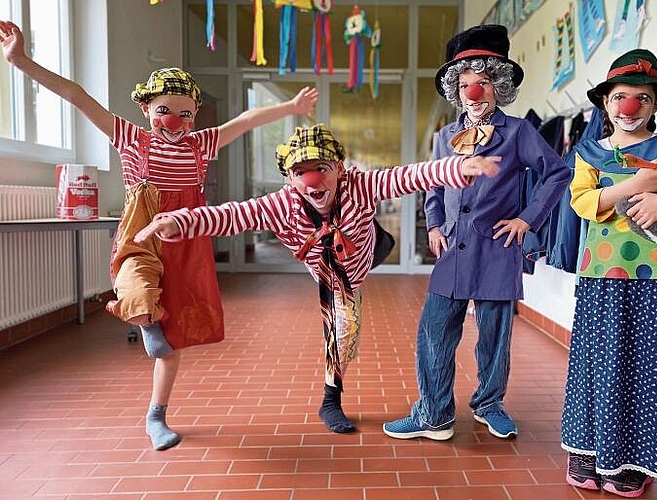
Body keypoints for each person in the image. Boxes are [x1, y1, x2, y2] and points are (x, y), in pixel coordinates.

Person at [0, 20, 318, 450]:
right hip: (142, 236)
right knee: (138, 294)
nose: (176, 120)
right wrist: (20, 61)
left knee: (171, 343)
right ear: (147, 108)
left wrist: (290, 108)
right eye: (166, 110)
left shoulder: (200, 145)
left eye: (186, 112)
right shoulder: (132, 140)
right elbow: (77, 95)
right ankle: (144, 317)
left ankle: (156, 413)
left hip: (185, 240)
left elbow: (244, 121)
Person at [134, 123, 501, 434]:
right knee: (342, 333)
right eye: (301, 172)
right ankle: (331, 401)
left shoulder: (360, 184)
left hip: (366, 250)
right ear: (290, 179)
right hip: (329, 271)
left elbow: (407, 176)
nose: (312, 179)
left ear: (339, 169)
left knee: (348, 314)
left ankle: (359, 276)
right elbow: (231, 215)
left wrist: (459, 167)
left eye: (322, 168)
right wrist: (179, 222)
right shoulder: (280, 204)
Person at [382, 24, 570, 441]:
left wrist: (527, 219)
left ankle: (489, 404)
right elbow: (433, 183)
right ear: (455, 89)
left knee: (494, 336)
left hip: (497, 247)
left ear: (497, 86)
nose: (473, 92)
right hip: (452, 245)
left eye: (482, 82)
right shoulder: (445, 137)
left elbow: (557, 173)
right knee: (435, 330)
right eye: (465, 84)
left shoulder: (519, 131)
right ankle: (434, 414)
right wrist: (433, 222)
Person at [561, 49, 657, 497]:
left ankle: (634, 458)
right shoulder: (590, 151)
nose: (629, 108)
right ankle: (590, 452)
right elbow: (583, 203)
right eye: (620, 97)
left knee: (652, 369)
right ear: (606, 104)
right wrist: (638, 185)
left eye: (642, 99)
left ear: (656, 106)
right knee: (599, 365)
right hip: (603, 276)